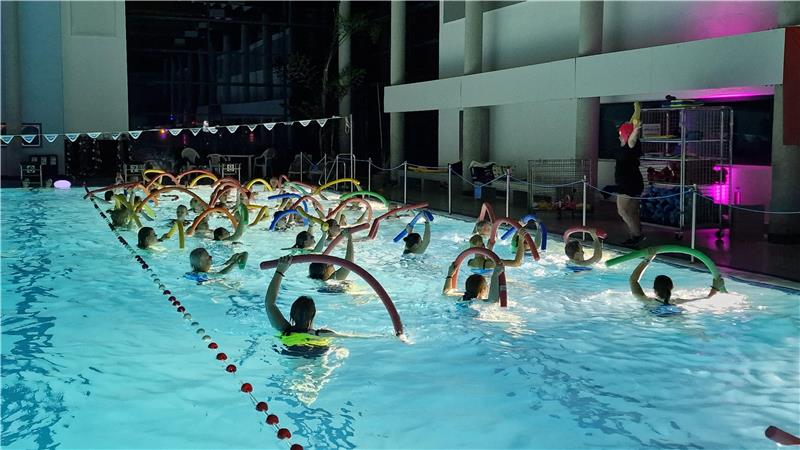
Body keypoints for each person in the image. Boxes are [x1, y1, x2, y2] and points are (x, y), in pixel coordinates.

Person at [264, 256, 342, 340]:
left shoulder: (284, 330)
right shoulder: (321, 335)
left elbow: (269, 303)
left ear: (292, 315)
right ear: (313, 315)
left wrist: (280, 270)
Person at [629, 248, 722, 308]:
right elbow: (707, 297)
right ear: (671, 288)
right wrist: (716, 287)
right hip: (674, 316)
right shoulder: (677, 302)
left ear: (654, 290)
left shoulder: (646, 301)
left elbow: (633, 280)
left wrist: (648, 258)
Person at [615, 102, 645, 247]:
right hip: (633, 182)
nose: (618, 136)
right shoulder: (625, 146)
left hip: (628, 183)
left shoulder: (630, 145)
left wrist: (636, 129)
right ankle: (634, 236)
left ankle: (637, 235)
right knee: (632, 212)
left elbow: (632, 137)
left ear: (625, 134)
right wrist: (636, 110)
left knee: (622, 211)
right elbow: (631, 125)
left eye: (620, 134)